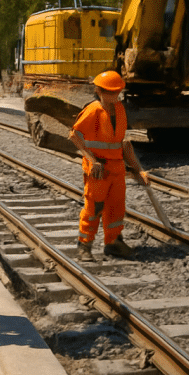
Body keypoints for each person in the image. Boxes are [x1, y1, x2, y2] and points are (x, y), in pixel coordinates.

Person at [68, 71, 151, 262]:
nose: (114, 96)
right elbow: (74, 135)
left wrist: (139, 169)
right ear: (98, 91)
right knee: (94, 208)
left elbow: (124, 143)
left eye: (117, 92)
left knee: (116, 207)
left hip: (116, 168)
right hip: (98, 169)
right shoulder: (93, 110)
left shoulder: (120, 109)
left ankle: (114, 243)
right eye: (109, 92)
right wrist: (92, 160)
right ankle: (85, 245)